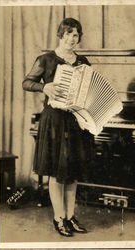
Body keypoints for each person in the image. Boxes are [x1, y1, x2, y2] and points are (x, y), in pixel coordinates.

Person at [22, 18, 95, 237]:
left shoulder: (83, 61)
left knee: (72, 173)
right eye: (68, 34)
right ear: (60, 35)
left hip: (75, 121)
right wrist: (45, 87)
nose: (72, 39)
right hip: (54, 120)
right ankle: (58, 218)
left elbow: (89, 90)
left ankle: (70, 217)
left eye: (76, 35)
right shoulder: (46, 59)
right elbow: (26, 83)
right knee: (56, 172)